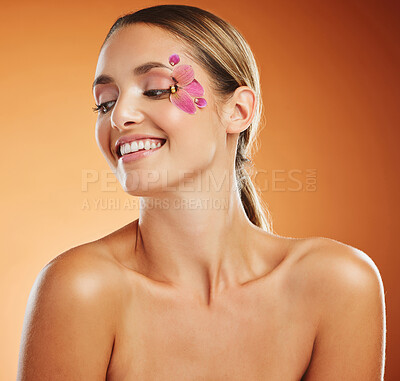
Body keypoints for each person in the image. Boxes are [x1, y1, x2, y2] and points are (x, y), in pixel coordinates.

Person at [17, 4, 386, 380]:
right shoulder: (81, 290)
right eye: (106, 101)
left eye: (158, 89)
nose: (119, 116)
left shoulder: (338, 285)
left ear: (238, 111)